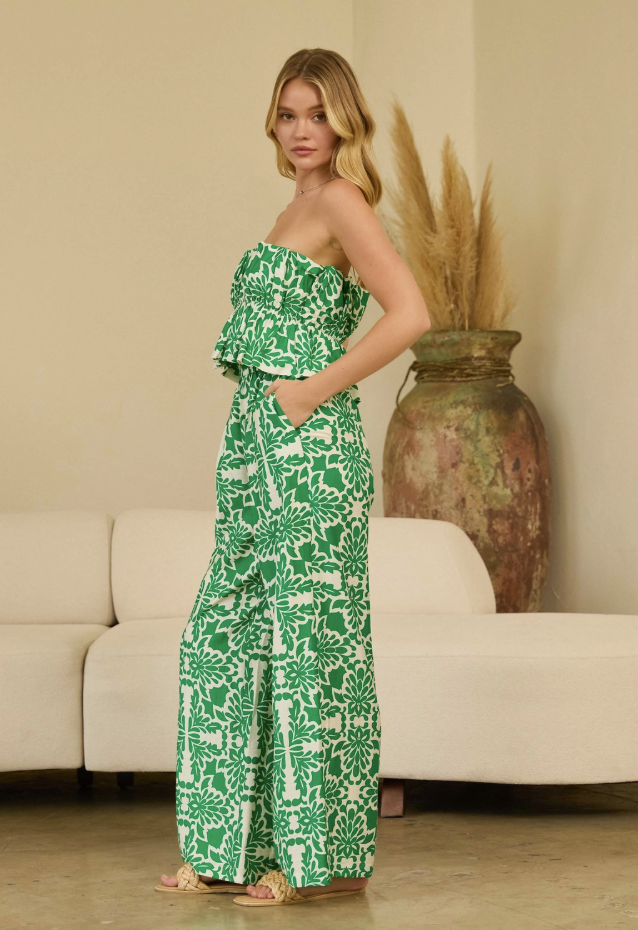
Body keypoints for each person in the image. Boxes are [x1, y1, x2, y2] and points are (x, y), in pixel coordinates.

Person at [156, 47, 430, 908]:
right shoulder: (293, 208)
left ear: (344, 122)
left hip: (309, 451)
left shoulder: (343, 200)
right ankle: (228, 848)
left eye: (317, 114)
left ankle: (313, 862)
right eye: (287, 114)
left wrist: (312, 391)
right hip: (253, 451)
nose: (301, 130)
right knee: (225, 640)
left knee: (308, 646)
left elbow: (412, 313)